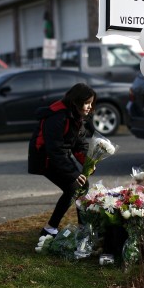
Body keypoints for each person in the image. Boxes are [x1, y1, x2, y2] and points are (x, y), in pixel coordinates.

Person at [28, 83, 96, 237]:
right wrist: (73, 173)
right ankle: (50, 229)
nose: (89, 107)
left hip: (58, 156)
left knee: (82, 185)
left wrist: (87, 162)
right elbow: (54, 150)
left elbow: (79, 144)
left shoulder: (77, 116)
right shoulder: (57, 117)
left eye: (91, 103)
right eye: (86, 103)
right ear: (75, 102)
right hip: (44, 158)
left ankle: (82, 227)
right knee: (73, 187)